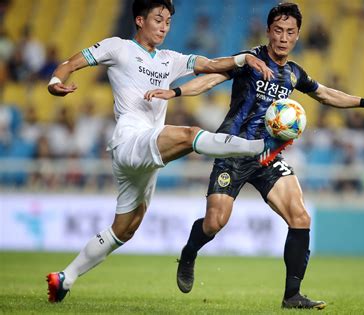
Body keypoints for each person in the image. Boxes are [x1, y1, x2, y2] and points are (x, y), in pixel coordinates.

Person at [147, 2, 364, 310]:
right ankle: (189, 253)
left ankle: (292, 295)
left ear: (297, 36)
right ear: (268, 32)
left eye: (290, 32)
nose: (283, 37)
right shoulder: (249, 60)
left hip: (267, 155)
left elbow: (324, 93)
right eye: (278, 30)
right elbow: (210, 79)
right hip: (233, 149)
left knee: (301, 217)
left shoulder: (294, 73)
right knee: (215, 223)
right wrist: (175, 93)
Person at [45, 0, 277, 303]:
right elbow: (71, 63)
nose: (164, 26)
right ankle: (258, 148)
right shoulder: (119, 47)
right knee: (189, 135)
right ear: (140, 20)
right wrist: (55, 82)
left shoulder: (170, 59)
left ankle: (65, 278)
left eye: (168, 21)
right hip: (130, 138)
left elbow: (210, 64)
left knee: (124, 230)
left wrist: (244, 58)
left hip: (147, 157)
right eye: (158, 19)